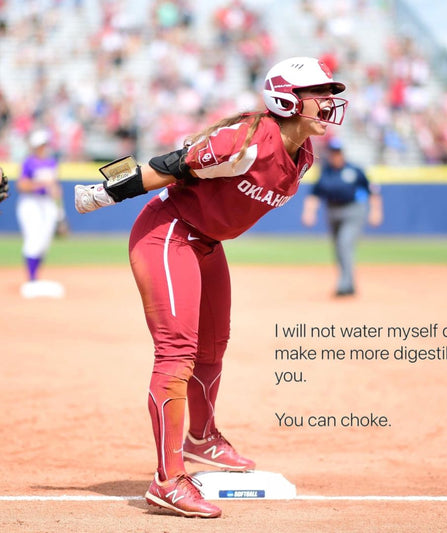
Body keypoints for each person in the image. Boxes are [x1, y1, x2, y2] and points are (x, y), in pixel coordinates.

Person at [74, 57, 348, 519]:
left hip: (206, 242)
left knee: (214, 345)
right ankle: (167, 481)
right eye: (317, 92)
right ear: (286, 99)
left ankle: (202, 438)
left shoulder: (304, 157)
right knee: (177, 351)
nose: (328, 100)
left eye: (329, 91)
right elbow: (171, 166)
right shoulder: (245, 141)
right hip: (169, 232)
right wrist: (104, 193)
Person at [301, 138, 383, 296]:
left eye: (338, 152)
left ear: (343, 153)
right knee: (338, 247)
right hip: (332, 210)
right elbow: (314, 194)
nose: (335, 155)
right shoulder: (326, 172)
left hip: (353, 210)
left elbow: (373, 192)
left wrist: (376, 212)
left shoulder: (354, 170)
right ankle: (349, 283)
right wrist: (309, 212)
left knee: (345, 243)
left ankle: (344, 284)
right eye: (333, 152)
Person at [16, 129, 66, 298]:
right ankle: (31, 280)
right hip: (31, 203)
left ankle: (35, 277)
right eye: (41, 145)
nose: (44, 147)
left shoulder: (52, 162)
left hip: (47, 204)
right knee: (33, 239)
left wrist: (60, 211)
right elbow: (22, 186)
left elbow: (55, 187)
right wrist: (41, 184)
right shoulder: (28, 162)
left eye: (45, 144)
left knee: (44, 241)